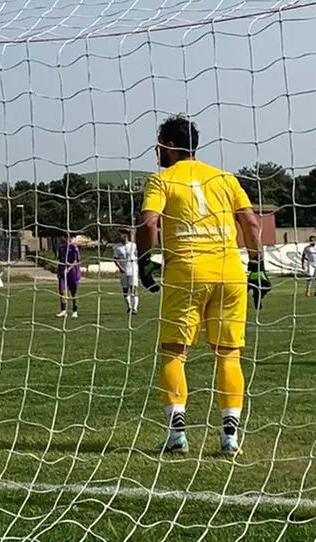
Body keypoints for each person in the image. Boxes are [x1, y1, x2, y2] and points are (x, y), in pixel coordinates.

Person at [137, 114, 266, 456]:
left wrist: (145, 260)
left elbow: (149, 223)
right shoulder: (224, 177)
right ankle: (229, 436)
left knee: (174, 352)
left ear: (169, 144)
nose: (156, 148)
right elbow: (251, 222)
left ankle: (177, 434)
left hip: (186, 274)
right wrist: (257, 265)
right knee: (228, 354)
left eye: (159, 141)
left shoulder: (162, 180)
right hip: (229, 274)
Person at [112, 234, 140, 317]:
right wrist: (120, 267)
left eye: (123, 235)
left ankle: (135, 308)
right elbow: (115, 259)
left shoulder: (133, 245)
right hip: (123, 271)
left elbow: (138, 256)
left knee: (133, 289)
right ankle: (129, 307)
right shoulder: (117, 247)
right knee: (125, 290)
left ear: (126, 236)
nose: (121, 237)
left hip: (133, 270)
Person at [55, 235, 83, 319]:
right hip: (62, 271)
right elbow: (60, 260)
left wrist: (68, 269)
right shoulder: (61, 248)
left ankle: (75, 310)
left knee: (73, 292)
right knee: (62, 290)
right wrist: (58, 270)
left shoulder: (74, 247)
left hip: (72, 272)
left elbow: (76, 261)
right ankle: (63, 310)